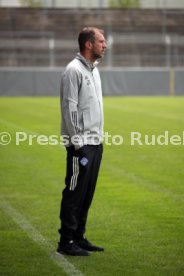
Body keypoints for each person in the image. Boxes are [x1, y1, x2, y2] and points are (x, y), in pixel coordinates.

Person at [57, 27, 107, 256]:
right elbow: (70, 108)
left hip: (96, 143)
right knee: (75, 192)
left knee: (87, 193)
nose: (105, 45)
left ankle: (79, 236)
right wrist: (78, 144)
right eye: (101, 41)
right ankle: (65, 241)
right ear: (89, 44)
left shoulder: (94, 70)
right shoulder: (73, 70)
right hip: (81, 145)